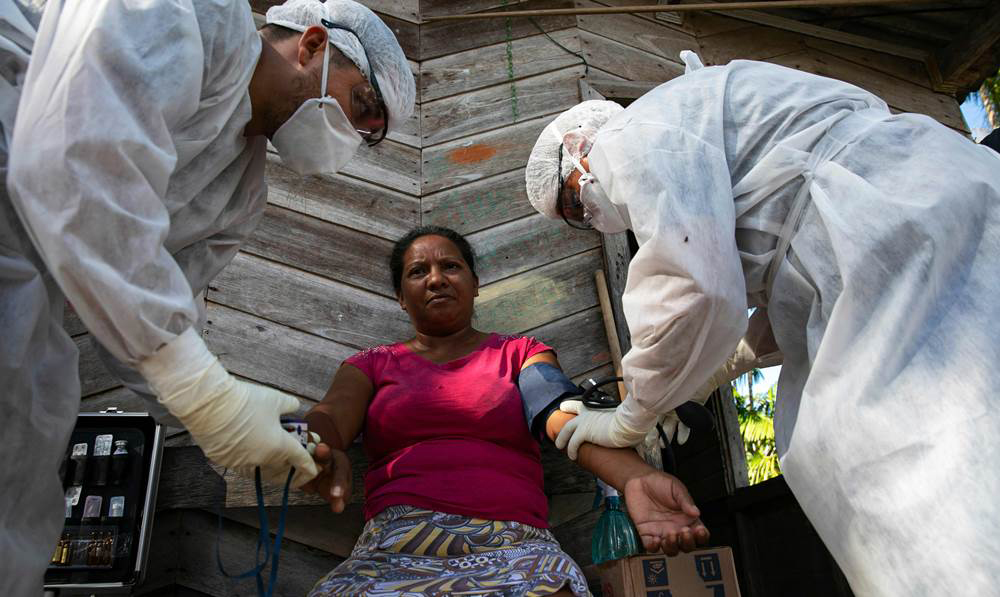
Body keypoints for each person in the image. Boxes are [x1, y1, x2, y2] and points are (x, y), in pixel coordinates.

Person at [524, 51, 1000, 595]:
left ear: (579, 146)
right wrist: (705, 376)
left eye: (574, 205)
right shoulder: (707, 132)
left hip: (899, 233)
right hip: (930, 208)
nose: (592, 219)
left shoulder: (634, 135)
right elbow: (788, 286)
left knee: (903, 460)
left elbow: (692, 286)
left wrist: (631, 417)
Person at [0, 0, 414, 594]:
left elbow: (152, 337)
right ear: (314, 46)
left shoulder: (237, 195)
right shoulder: (191, 15)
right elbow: (75, 152)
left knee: (25, 444)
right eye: (361, 107)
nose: (351, 136)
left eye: (368, 137)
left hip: (24, 292)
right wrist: (202, 390)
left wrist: (271, 433)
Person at [300, 226, 709, 596]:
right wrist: (311, 447)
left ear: (475, 284)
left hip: (517, 548)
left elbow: (558, 411)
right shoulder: (371, 364)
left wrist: (636, 477)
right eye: (417, 272)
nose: (437, 279)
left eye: (450, 266)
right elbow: (332, 417)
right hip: (394, 549)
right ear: (400, 298)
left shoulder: (521, 353)